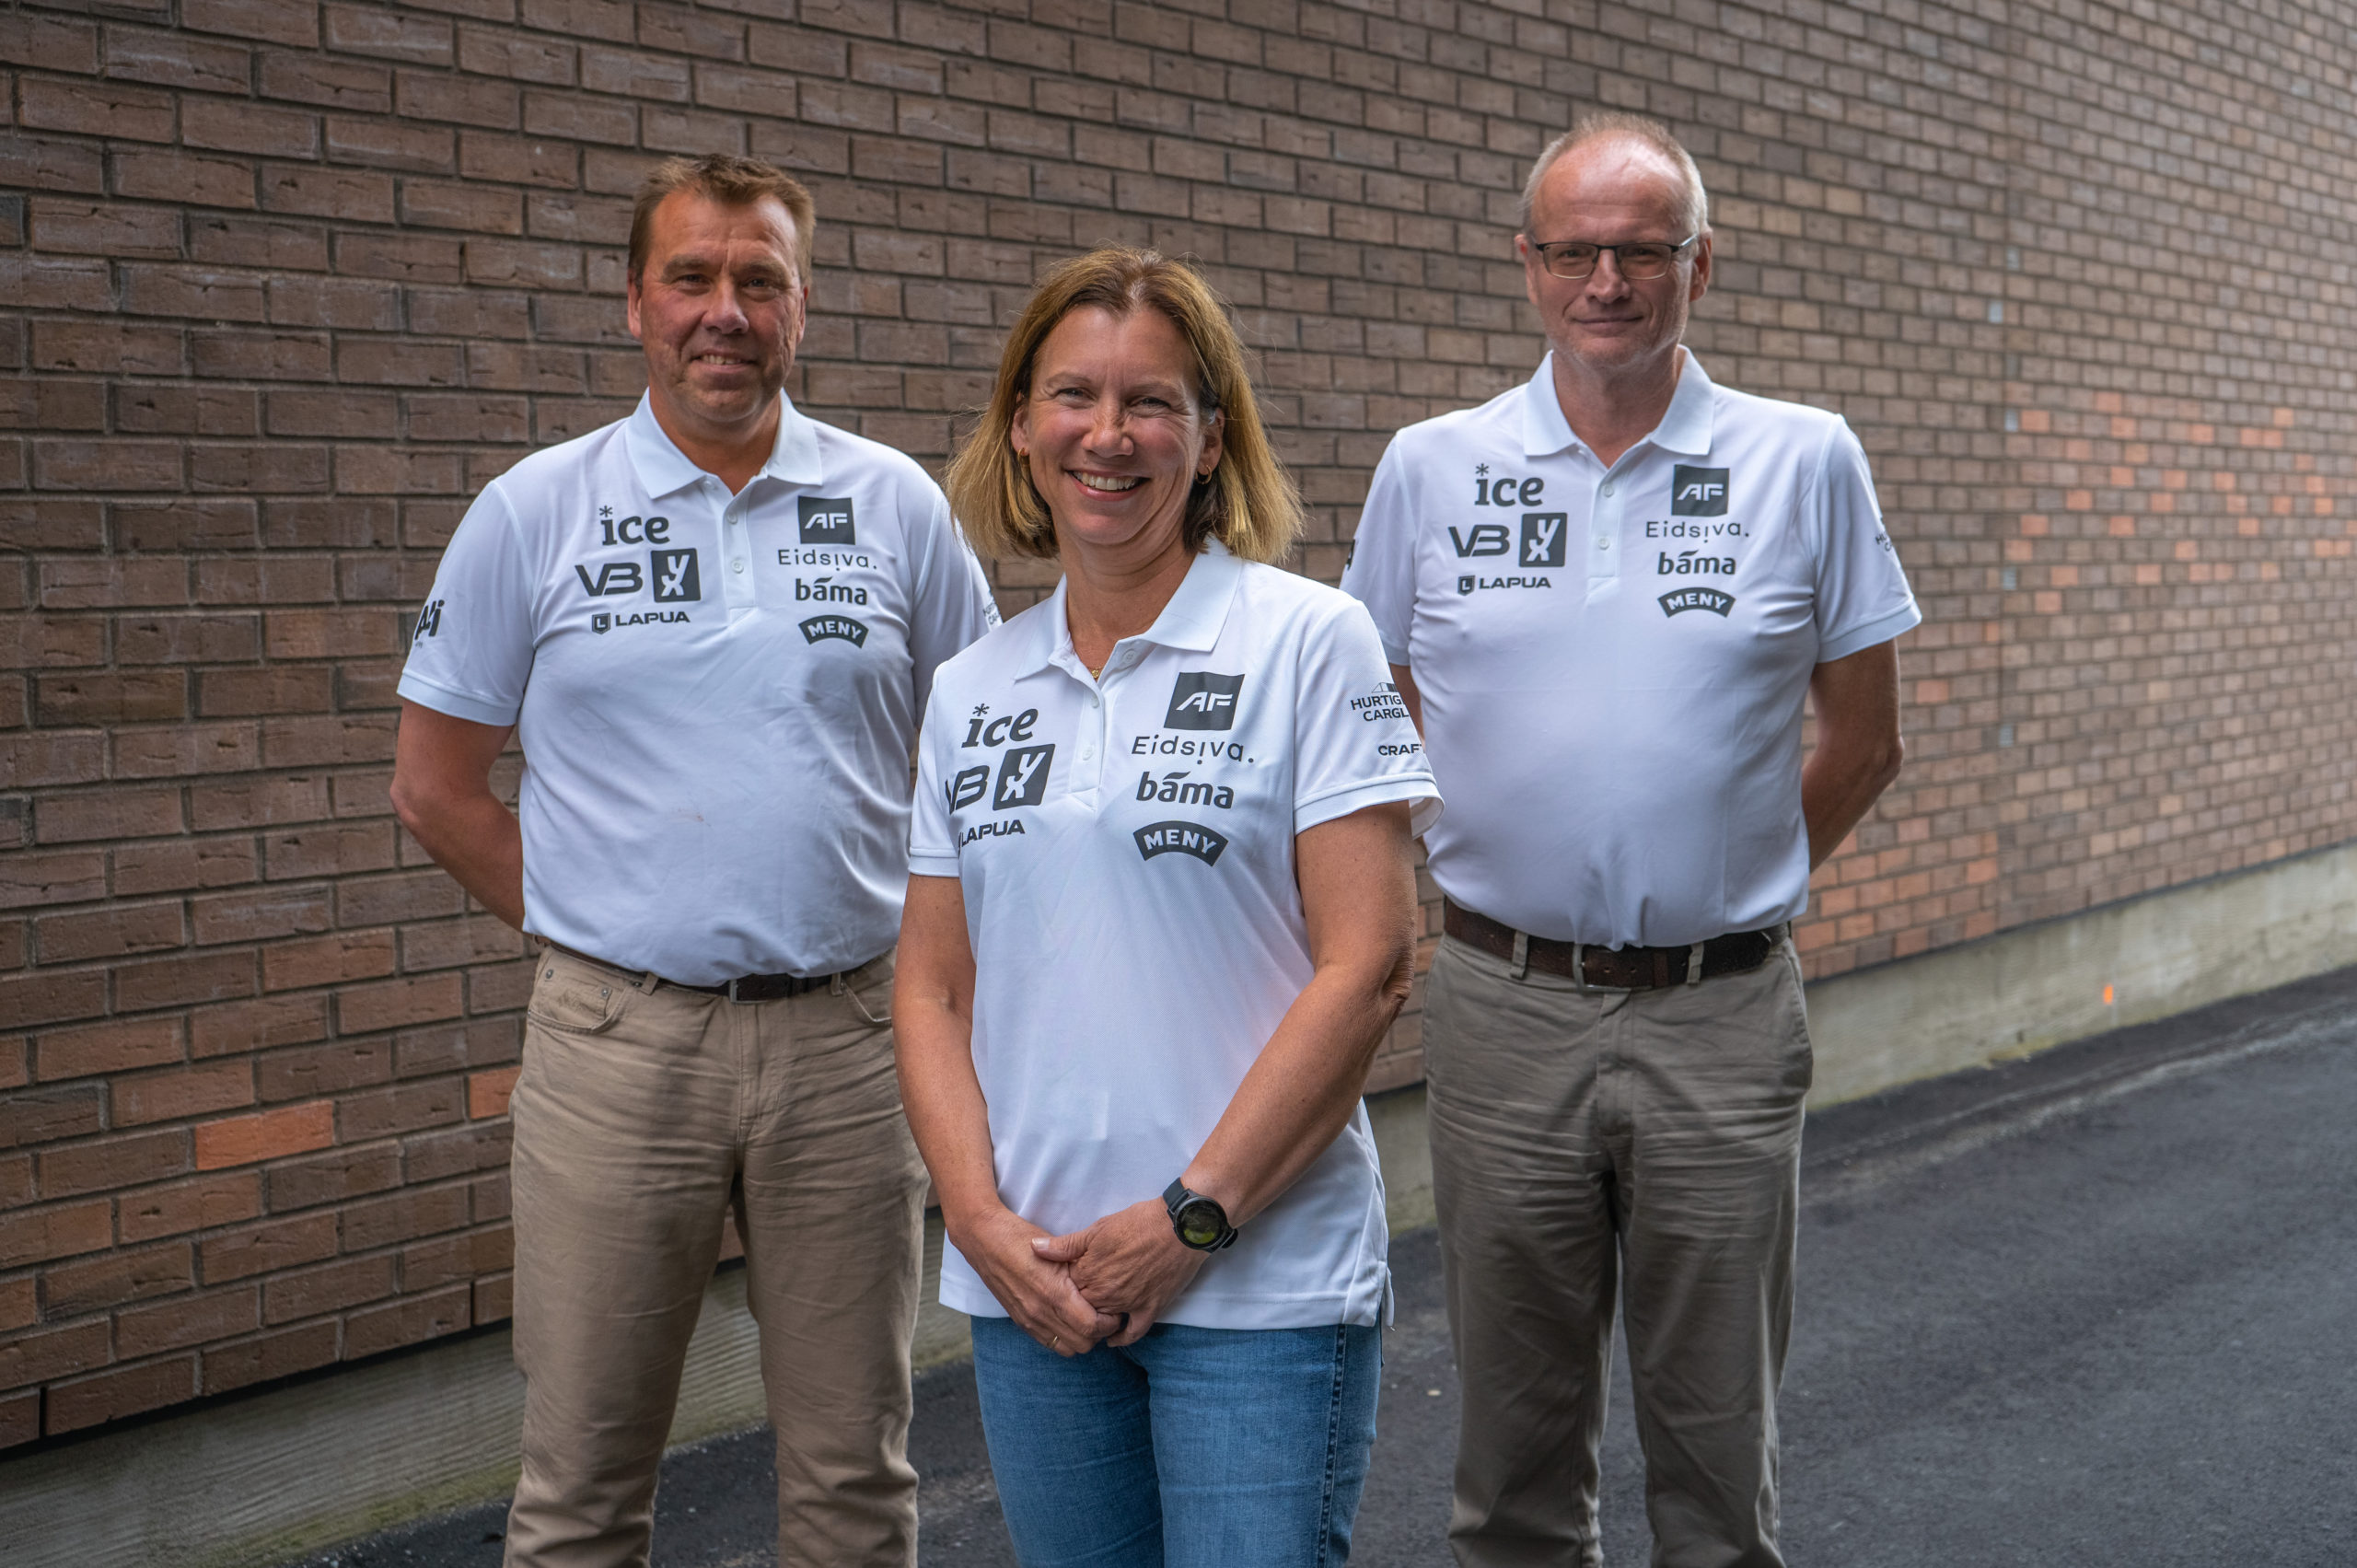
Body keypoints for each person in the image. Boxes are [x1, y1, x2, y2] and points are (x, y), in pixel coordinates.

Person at [388, 153, 996, 1568]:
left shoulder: (895, 505)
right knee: (584, 1489)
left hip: (851, 1047)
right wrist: (596, 925)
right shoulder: (536, 510)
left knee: (855, 1480)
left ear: (803, 305)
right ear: (634, 306)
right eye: (692, 279)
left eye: (759, 281)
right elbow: (435, 789)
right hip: (616, 1048)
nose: (725, 311)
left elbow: (979, 765)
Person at [1341, 112, 1919, 1568]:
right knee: (1513, 1454)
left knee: (1718, 1454)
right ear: (1528, 267)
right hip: (1502, 1009)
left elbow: (1864, 738)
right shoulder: (1433, 467)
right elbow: (1371, 720)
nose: (1608, 281)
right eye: (1576, 252)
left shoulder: (1805, 461)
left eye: (1641, 251)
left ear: (1699, 267)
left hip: (1721, 1015)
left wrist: (1725, 880)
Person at [892, 248, 1440, 1567]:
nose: (1109, 433)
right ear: (1022, 428)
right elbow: (930, 985)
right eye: (1073, 395)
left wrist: (1193, 1218)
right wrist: (975, 1223)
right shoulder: (975, 686)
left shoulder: (1311, 641)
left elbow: (1371, 963)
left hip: (1260, 1282)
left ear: (1210, 441)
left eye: (1153, 402)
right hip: (1039, 1287)